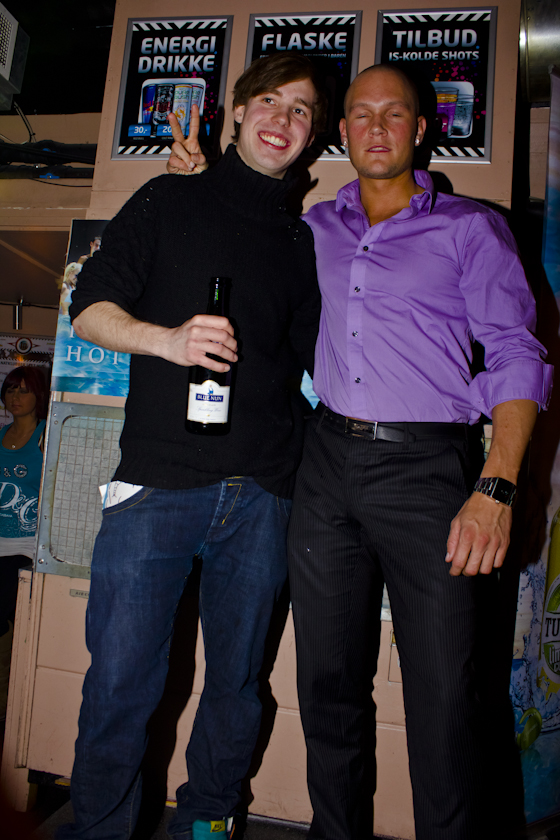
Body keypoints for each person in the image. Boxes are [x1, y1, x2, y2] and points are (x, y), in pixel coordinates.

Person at [168, 65, 553, 840]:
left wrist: (498, 486)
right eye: (361, 115)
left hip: (430, 473)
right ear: (341, 132)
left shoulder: (470, 229)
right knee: (327, 687)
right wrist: (200, 181)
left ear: (421, 128)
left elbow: (518, 352)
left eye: (394, 114)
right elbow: (240, 244)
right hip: (326, 467)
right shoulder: (313, 227)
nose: (376, 128)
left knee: (446, 700)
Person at [58, 53, 326, 840]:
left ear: (312, 136)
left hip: (265, 496)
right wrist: (168, 341)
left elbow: (316, 361)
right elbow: (88, 308)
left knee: (237, 690)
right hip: (157, 487)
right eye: (269, 100)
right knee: (120, 689)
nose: (283, 118)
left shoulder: (301, 241)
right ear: (236, 113)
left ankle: (208, 828)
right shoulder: (169, 198)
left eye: (302, 110)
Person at [0, 366, 48, 720]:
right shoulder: (1, 435)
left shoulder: (48, 435)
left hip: (26, 550)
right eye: (10, 389)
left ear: (38, 396)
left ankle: (11, 710)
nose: (15, 397)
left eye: (23, 390)